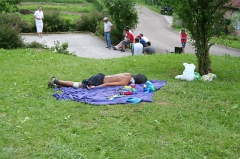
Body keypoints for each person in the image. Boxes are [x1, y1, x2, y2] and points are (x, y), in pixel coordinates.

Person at [48, 73, 147, 89]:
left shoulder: (128, 74)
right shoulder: (126, 82)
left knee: (80, 85)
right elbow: (108, 84)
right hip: (99, 81)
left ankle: (58, 85)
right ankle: (56, 81)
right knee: (78, 85)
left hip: (101, 76)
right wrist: (97, 87)